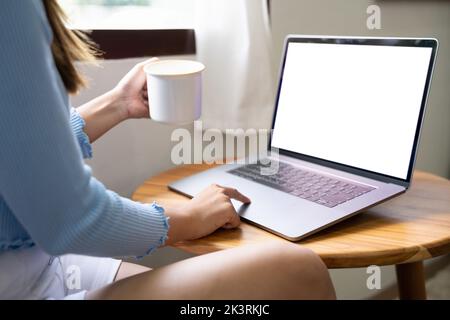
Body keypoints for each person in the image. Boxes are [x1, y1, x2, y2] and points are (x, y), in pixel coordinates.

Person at [0, 0, 335, 300]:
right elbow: (71, 220)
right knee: (298, 270)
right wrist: (192, 216)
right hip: (22, 280)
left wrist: (116, 105)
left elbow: (21, 155)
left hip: (41, 263)